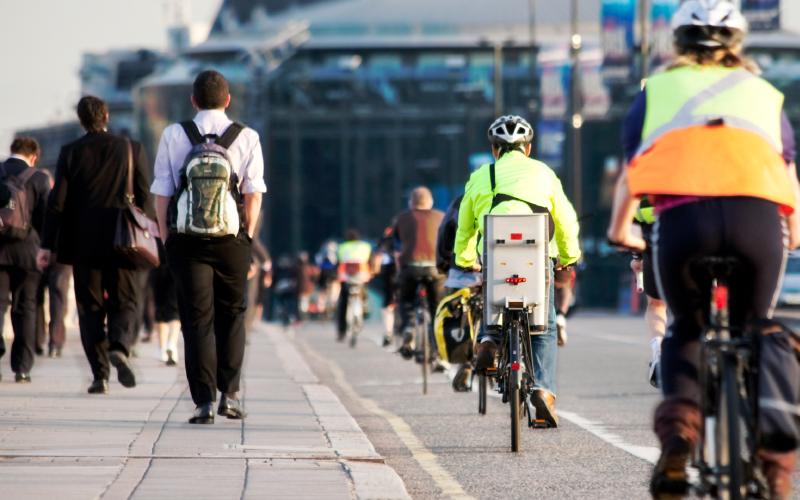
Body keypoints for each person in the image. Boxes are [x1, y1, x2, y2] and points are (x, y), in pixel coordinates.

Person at [607, 2, 800, 497]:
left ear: (678, 45)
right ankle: (777, 466)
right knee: (759, 327)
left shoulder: (656, 92)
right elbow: (788, 173)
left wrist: (622, 228)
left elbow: (633, 168)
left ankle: (678, 440)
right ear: (737, 45)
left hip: (683, 221)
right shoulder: (765, 93)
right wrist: (793, 232)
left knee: (687, 328)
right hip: (756, 220)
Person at [151, 70, 266, 424]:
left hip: (186, 239)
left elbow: (162, 193)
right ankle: (229, 396)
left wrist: (166, 237)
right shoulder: (246, 136)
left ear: (193, 101)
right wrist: (247, 235)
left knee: (196, 319)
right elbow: (253, 193)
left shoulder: (174, 133)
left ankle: (203, 403)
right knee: (232, 316)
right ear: (228, 99)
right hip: (231, 239)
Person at [454, 115, 581, 428]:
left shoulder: (481, 175)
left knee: (491, 296)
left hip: (495, 249)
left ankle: (489, 341)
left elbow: (465, 224)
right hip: (537, 253)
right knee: (546, 325)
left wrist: (465, 257)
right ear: (528, 148)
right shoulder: (544, 172)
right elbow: (565, 219)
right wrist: (569, 255)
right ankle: (544, 392)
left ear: (495, 149)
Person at [39, 96, 152, 394]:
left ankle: (100, 375)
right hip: (124, 240)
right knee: (125, 300)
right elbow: (145, 199)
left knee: (89, 307)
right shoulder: (131, 149)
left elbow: (57, 203)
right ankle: (119, 345)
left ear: (81, 120)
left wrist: (47, 244)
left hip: (83, 243)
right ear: (106, 115)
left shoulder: (70, 152)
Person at [0, 137, 50, 382]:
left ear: (12, 151)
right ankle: (22, 368)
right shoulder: (39, 178)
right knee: (25, 308)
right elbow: (46, 218)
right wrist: (46, 248)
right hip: (28, 251)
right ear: (34, 156)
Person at [391, 187, 445, 369]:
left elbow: (394, 242)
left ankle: (408, 328)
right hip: (434, 268)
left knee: (405, 301)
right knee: (437, 308)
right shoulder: (440, 216)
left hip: (410, 267)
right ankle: (437, 350)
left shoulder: (402, 217)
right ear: (430, 202)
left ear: (411, 203)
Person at [629, 202, 668, 388]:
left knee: (657, 304)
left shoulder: (646, 172)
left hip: (657, 235)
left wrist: (637, 257)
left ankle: (659, 351)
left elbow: (633, 216)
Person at [335, 229, 372, 344]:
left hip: (346, 276)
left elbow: (339, 261)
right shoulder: (365, 246)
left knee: (343, 302)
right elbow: (369, 260)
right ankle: (365, 306)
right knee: (364, 292)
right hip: (362, 275)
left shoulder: (342, 247)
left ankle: (342, 330)